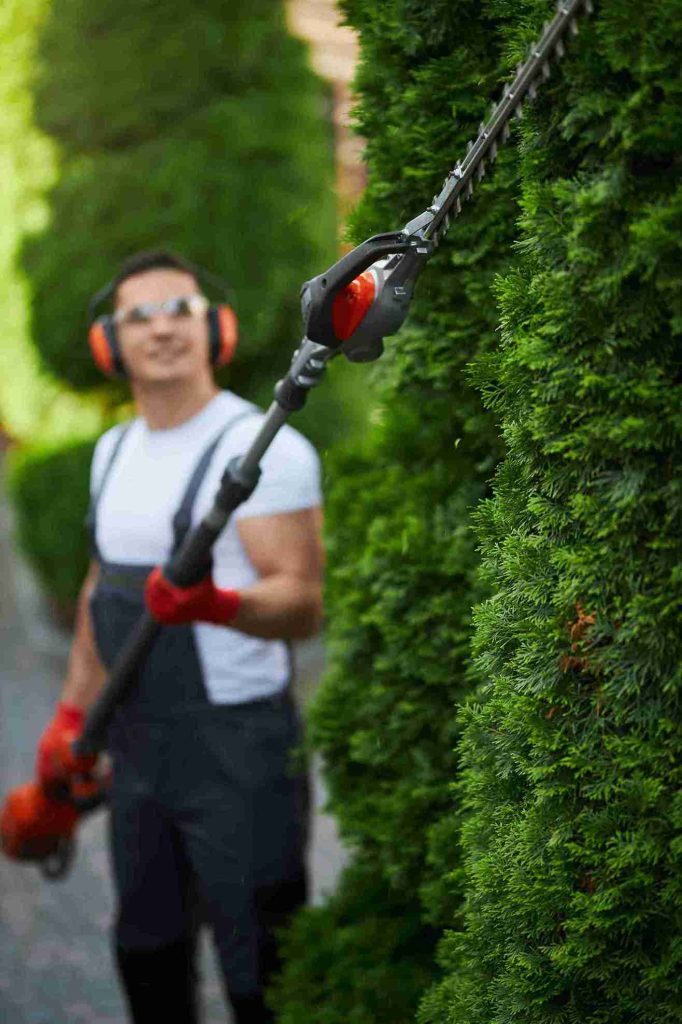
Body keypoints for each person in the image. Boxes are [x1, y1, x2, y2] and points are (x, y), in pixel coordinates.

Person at [35, 249, 324, 1023]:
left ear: (214, 329)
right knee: (147, 957)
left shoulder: (265, 450)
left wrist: (217, 604)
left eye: (182, 311)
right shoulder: (112, 452)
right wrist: (69, 722)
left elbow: (301, 603)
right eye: (141, 316)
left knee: (263, 971)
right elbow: (104, 593)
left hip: (239, 755)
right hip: (138, 755)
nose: (164, 328)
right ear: (110, 345)